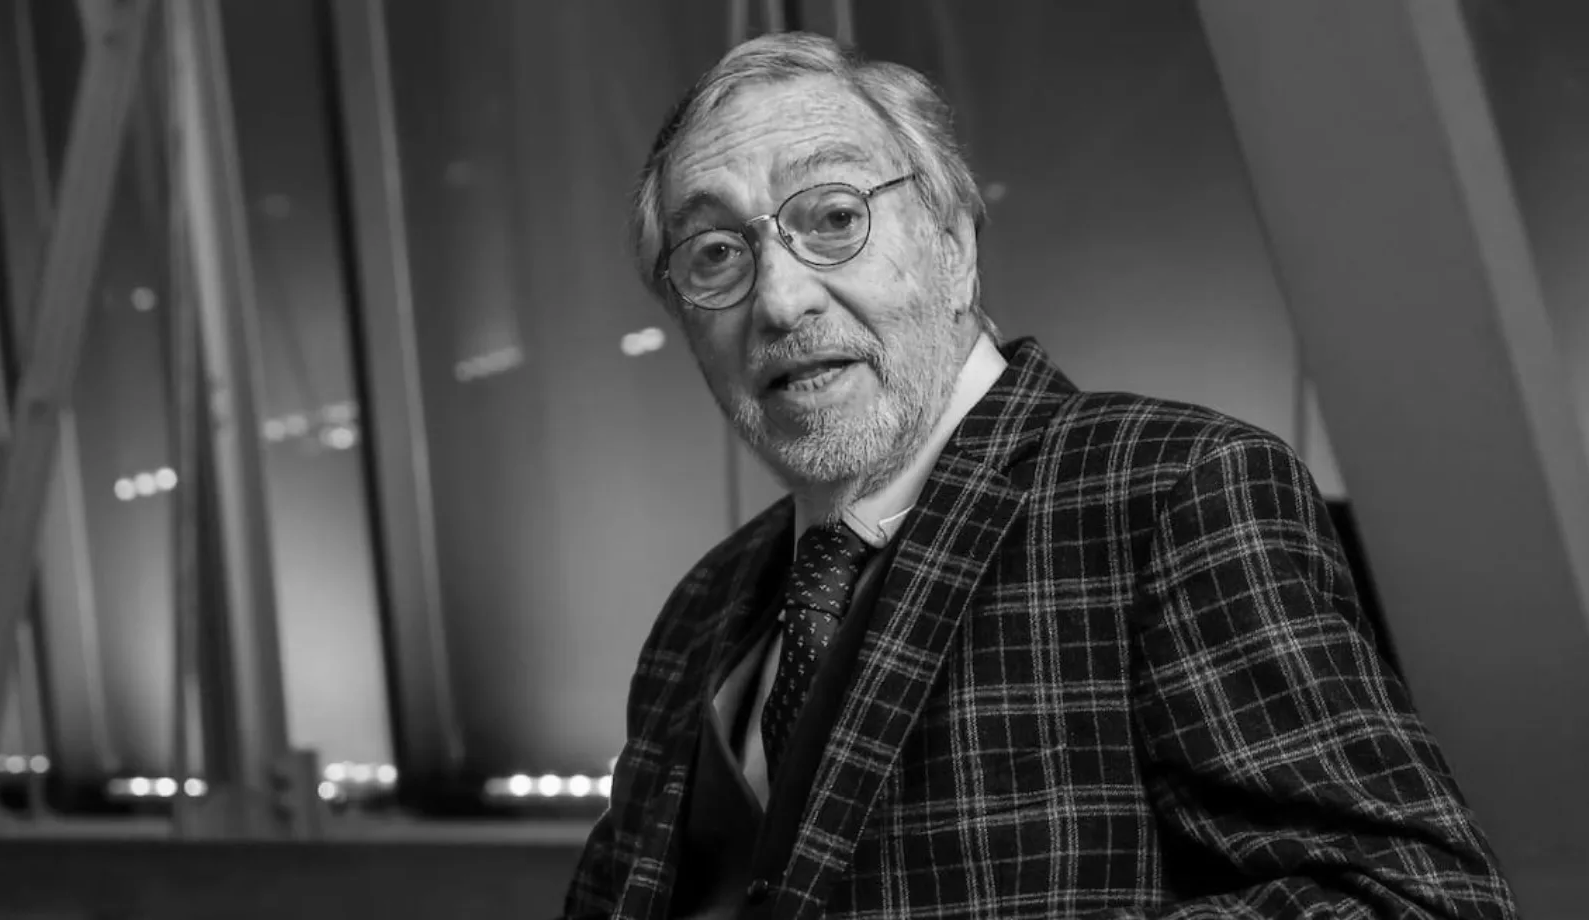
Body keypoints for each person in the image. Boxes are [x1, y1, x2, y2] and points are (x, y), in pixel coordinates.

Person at [563, 30, 1519, 920]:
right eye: (716, 254)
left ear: (954, 246)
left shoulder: (1176, 491)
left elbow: (1414, 900)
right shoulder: (700, 610)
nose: (779, 299)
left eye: (835, 217)